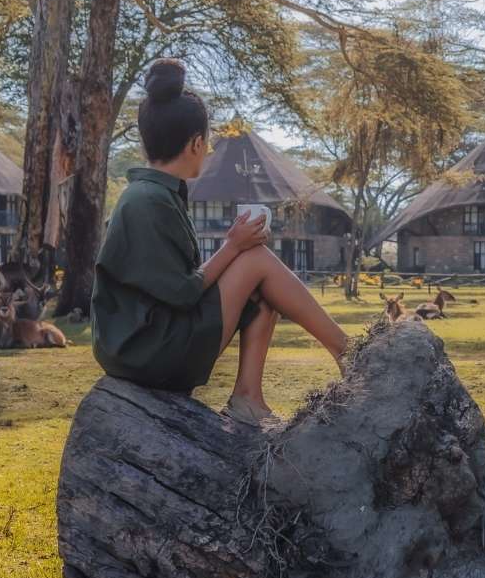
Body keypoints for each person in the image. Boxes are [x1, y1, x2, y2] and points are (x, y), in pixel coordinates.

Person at [91, 58, 348, 419]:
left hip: (142, 345)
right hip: (146, 352)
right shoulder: (149, 202)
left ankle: (248, 398)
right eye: (207, 142)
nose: (209, 150)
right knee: (256, 260)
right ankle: (347, 353)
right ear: (196, 143)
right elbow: (183, 292)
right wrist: (233, 245)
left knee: (261, 283)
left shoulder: (152, 195)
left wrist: (237, 246)